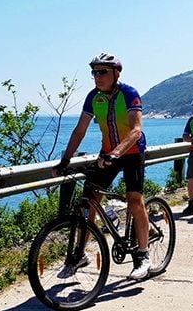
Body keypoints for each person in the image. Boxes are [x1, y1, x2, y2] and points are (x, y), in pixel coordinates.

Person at [54, 52, 151, 281]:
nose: (97, 76)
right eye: (94, 72)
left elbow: (136, 130)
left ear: (116, 73)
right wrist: (65, 160)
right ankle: (80, 254)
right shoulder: (93, 97)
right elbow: (80, 130)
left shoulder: (129, 93)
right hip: (107, 154)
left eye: (102, 72)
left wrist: (117, 153)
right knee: (90, 201)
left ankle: (143, 255)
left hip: (132, 152)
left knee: (134, 200)